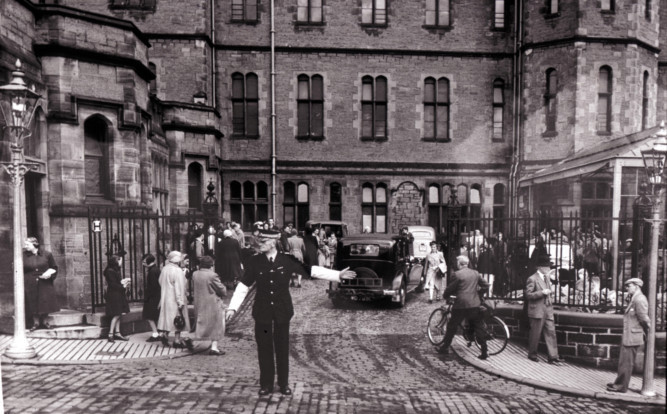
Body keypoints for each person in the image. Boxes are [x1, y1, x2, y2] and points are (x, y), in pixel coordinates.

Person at [224, 224, 355, 396]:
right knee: (264, 348)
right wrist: (232, 308)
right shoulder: (255, 261)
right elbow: (243, 286)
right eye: (260, 240)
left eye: (263, 240)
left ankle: (283, 383)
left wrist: (337, 275)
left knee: (282, 347)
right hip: (262, 312)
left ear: (274, 242)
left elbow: (311, 270)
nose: (260, 243)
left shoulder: (287, 260)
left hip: (282, 311)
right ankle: (266, 384)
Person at [436, 255, 490, 360]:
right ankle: (484, 351)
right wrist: (478, 293)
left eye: (457, 263)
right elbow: (486, 285)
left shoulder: (457, 274)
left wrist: (446, 296)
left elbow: (450, 289)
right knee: (478, 326)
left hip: (460, 305)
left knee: (452, 326)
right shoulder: (475, 273)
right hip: (474, 304)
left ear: (459, 264)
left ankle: (445, 347)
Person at [607, 278, 650, 393]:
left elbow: (644, 319)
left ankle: (621, 386)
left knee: (627, 363)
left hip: (633, 336)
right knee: (624, 362)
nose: (627, 288)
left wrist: (646, 330)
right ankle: (619, 383)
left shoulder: (639, 299)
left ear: (637, 286)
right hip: (630, 335)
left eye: (629, 286)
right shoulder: (634, 298)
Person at [525, 254, 563, 364]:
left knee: (551, 332)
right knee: (535, 333)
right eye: (547, 267)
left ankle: (553, 357)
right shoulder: (532, 279)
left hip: (547, 308)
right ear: (540, 267)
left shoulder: (546, 278)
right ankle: (532, 354)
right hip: (537, 309)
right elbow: (528, 295)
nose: (549, 269)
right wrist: (541, 293)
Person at [157, 251, 193, 350]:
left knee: (168, 319)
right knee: (178, 319)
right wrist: (180, 301)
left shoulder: (164, 269)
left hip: (166, 297)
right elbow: (179, 287)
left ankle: (165, 335)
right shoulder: (177, 271)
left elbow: (160, 281)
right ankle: (177, 340)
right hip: (175, 298)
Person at [192, 255, 227, 355]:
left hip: (200, 302)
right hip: (212, 303)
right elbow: (222, 290)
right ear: (211, 265)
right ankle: (214, 348)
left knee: (201, 323)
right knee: (216, 325)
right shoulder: (212, 275)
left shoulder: (195, 274)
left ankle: (194, 341)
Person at [22, 237, 59, 331]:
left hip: (44, 281)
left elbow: (54, 267)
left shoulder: (47, 254)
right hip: (29, 282)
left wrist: (49, 275)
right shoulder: (23, 255)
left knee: (45, 301)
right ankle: (35, 323)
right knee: (32, 301)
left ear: (34, 244)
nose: (25, 246)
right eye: (25, 244)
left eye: (27, 244)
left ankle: (45, 322)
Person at [105, 251, 131, 342]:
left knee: (119, 313)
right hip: (114, 295)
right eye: (120, 260)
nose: (121, 262)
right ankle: (110, 334)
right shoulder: (110, 271)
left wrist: (123, 282)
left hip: (117, 294)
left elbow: (115, 283)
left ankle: (117, 333)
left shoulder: (114, 270)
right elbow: (113, 285)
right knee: (116, 314)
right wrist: (123, 285)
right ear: (116, 261)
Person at [141, 253, 162, 342]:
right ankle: (160, 333)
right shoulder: (156, 269)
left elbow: (153, 287)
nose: (142, 263)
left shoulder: (152, 272)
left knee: (149, 316)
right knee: (156, 316)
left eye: (144, 261)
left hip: (152, 298)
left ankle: (155, 334)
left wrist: (147, 296)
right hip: (157, 296)